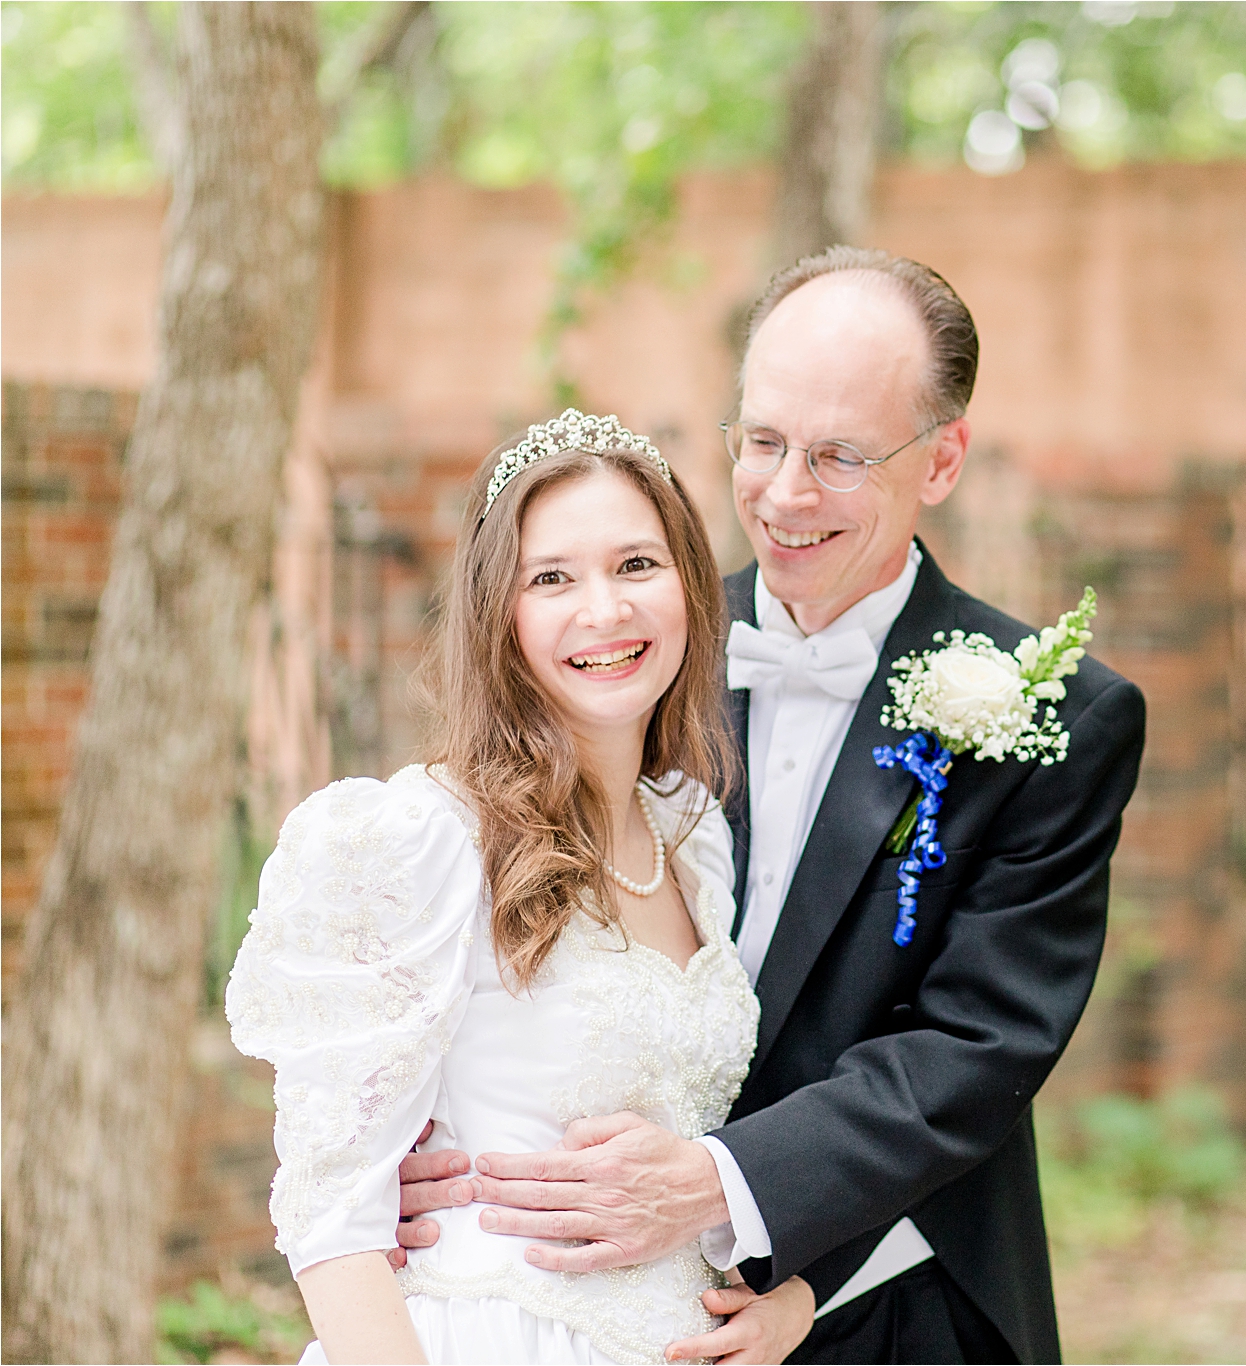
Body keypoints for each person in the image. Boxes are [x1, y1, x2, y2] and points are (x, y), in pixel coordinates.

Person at [395, 249, 1148, 1363]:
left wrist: (737, 1209)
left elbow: (974, 1048)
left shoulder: (1055, 717)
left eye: (840, 455)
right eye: (762, 441)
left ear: (942, 459)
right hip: (569, 1297)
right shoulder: (636, 649)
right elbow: (488, 906)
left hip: (891, 1298)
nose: (786, 494)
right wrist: (425, 1140)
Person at [226, 411, 817, 1364]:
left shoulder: (694, 831)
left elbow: (694, 1139)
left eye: (636, 565)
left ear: (692, 589)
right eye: (553, 578)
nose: (606, 610)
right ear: (499, 615)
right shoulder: (424, 839)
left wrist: (783, 1298)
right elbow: (333, 1223)